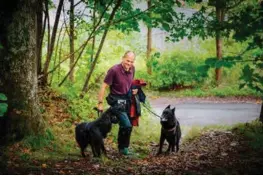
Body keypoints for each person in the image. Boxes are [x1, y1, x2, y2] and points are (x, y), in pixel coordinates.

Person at [97, 51, 138, 155]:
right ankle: (123, 149)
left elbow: (129, 83)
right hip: (116, 100)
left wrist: (134, 89)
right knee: (127, 125)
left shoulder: (132, 69)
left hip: (127, 99)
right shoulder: (114, 70)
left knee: (127, 125)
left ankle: (123, 148)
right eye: (127, 60)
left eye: (131, 61)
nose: (129, 63)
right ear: (122, 58)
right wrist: (100, 103)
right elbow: (103, 86)